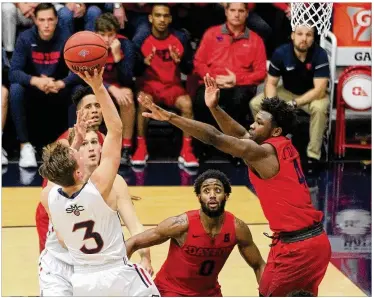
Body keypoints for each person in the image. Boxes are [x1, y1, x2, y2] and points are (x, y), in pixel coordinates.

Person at [137, 74, 331, 296]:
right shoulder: (281, 145)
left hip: (297, 248)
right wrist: (215, 108)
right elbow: (241, 134)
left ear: (275, 131)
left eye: (259, 123)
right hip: (316, 243)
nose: (252, 125)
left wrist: (171, 117)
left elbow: (216, 138)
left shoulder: (264, 152)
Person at [39, 68, 159, 296]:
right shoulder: (104, 185)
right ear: (76, 168)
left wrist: (75, 143)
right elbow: (116, 128)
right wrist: (99, 86)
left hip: (83, 271)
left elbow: (65, 234)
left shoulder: (50, 195)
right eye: (85, 145)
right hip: (81, 265)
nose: (91, 146)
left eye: (95, 142)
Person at [126, 169, 266, 297]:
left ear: (226, 196)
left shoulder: (238, 228)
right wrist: (119, 277)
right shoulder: (181, 225)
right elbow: (133, 242)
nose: (212, 195)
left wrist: (267, 293)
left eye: (217, 190)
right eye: (206, 191)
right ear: (199, 197)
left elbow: (259, 264)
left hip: (209, 293)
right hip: (170, 290)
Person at [250, 24, 330, 172]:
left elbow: (319, 90)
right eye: (300, 34)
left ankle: (313, 156)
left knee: (320, 108)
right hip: (286, 91)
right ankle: (266, 146)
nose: (304, 38)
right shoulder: (281, 53)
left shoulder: (320, 54)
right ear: (293, 35)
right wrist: (273, 106)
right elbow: (271, 83)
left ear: (314, 38)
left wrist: (294, 103)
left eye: (309, 35)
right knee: (256, 103)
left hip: (311, 94)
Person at [35, 86, 104, 253]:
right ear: (78, 112)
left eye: (97, 105)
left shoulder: (101, 138)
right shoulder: (65, 143)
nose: (94, 110)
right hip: (53, 212)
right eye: (88, 107)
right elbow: (51, 192)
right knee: (54, 268)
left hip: (82, 208)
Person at [132, 3, 198, 168]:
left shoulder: (180, 38)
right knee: (143, 101)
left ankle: (187, 150)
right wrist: (143, 63)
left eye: (165, 16)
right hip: (149, 86)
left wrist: (180, 61)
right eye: (158, 15)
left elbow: (189, 69)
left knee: (187, 104)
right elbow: (133, 72)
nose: (161, 19)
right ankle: (141, 148)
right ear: (150, 18)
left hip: (172, 87)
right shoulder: (140, 39)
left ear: (170, 18)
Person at [95, 12, 136, 166]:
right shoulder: (89, 46)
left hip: (119, 86)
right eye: (102, 34)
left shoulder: (126, 45)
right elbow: (85, 78)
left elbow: (127, 80)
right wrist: (109, 88)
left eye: (110, 34)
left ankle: (126, 148)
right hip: (97, 86)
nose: (106, 39)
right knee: (90, 100)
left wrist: (117, 56)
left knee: (128, 96)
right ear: (95, 34)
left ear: (116, 34)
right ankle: (94, 147)